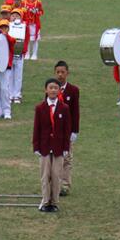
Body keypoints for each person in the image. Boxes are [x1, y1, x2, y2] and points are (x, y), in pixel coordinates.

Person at [33, 77, 72, 214]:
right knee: (45, 175)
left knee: (56, 175)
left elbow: (67, 130)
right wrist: (36, 147)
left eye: (56, 88)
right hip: (44, 147)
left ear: (59, 90)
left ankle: (54, 202)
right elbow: (36, 129)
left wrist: (66, 148)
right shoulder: (40, 108)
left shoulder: (64, 108)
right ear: (46, 90)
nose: (53, 90)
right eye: (51, 88)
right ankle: (45, 201)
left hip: (59, 148)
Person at [52, 61, 80, 196]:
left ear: (67, 73)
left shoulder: (73, 91)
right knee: (54, 157)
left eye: (62, 72)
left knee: (67, 158)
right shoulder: (51, 89)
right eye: (58, 72)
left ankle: (65, 184)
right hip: (54, 130)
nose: (60, 75)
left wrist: (75, 130)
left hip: (67, 130)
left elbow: (76, 112)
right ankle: (54, 183)